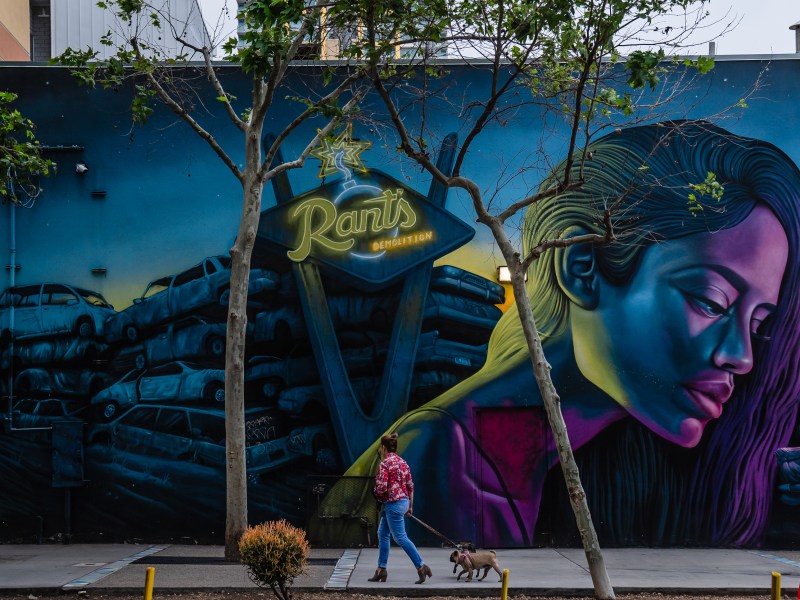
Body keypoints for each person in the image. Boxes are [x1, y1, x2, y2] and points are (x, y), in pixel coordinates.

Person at [325, 120, 800, 548]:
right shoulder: (448, 453)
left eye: (760, 324)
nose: (742, 356)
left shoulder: (532, 451)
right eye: (711, 301)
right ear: (582, 267)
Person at [367, 432, 432, 584]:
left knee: (400, 537)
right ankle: (381, 569)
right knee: (383, 533)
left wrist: (375, 491)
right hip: (403, 502)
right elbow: (410, 486)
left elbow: (382, 488)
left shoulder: (385, 464)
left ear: (383, 448)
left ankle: (421, 566)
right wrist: (410, 506)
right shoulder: (403, 463)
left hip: (393, 504)